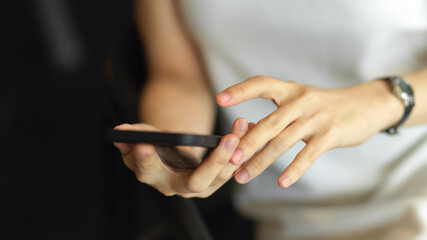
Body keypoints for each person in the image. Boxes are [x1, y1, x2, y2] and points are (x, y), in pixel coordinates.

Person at [114, 1, 427, 239]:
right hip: (292, 214)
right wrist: (177, 151)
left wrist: (382, 100)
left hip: (417, 182)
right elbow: (178, 78)